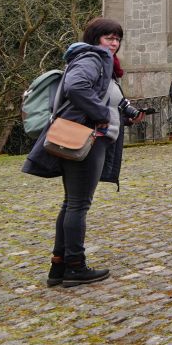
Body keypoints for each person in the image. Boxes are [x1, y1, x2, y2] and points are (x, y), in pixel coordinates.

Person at [23, 17, 142, 288]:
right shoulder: (92, 58)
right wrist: (102, 116)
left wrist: (123, 116)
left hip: (86, 136)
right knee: (78, 205)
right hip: (87, 139)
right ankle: (75, 267)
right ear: (95, 38)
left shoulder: (97, 61)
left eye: (117, 39)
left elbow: (100, 97)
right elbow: (76, 87)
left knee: (71, 203)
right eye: (108, 38)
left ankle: (59, 266)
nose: (114, 43)